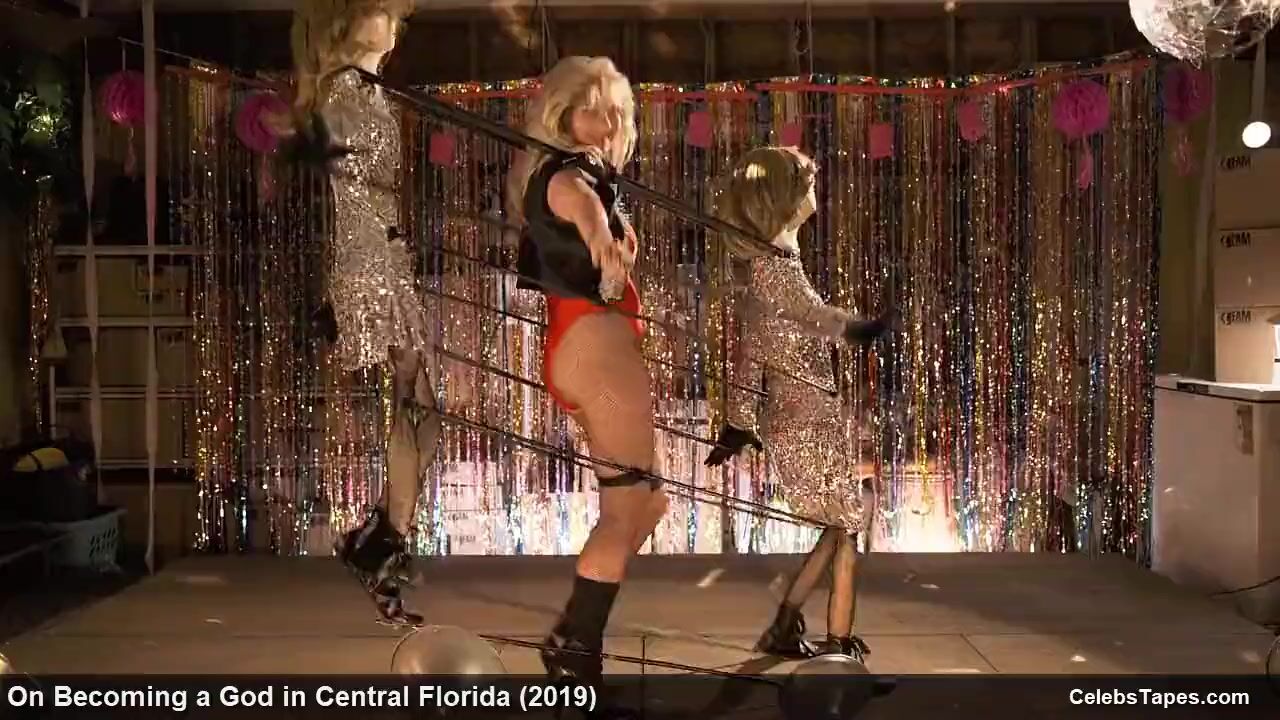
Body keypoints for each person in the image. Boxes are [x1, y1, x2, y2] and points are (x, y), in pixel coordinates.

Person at [279, 0, 467, 626]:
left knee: (424, 410)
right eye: (382, 11)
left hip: (386, 255)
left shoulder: (364, 90)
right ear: (350, 24)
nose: (393, 24)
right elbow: (351, 187)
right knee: (413, 403)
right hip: (371, 261)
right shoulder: (345, 94)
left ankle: (379, 540)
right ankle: (384, 549)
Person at [506, 56, 668, 689]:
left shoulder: (585, 178)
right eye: (592, 112)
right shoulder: (567, 178)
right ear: (562, 115)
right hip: (593, 345)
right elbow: (581, 211)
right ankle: (575, 659)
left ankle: (573, 635)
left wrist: (610, 237)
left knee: (649, 503)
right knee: (624, 513)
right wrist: (603, 240)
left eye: (616, 114)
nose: (607, 125)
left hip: (595, 344)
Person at [704, 146, 894, 662]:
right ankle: (837, 645)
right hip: (804, 419)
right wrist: (858, 329)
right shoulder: (776, 273)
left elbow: (752, 352)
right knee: (849, 521)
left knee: (845, 520)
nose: (814, 192)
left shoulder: (776, 264)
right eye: (806, 184)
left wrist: (739, 422)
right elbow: (811, 314)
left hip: (809, 415)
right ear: (782, 200)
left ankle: (788, 625)